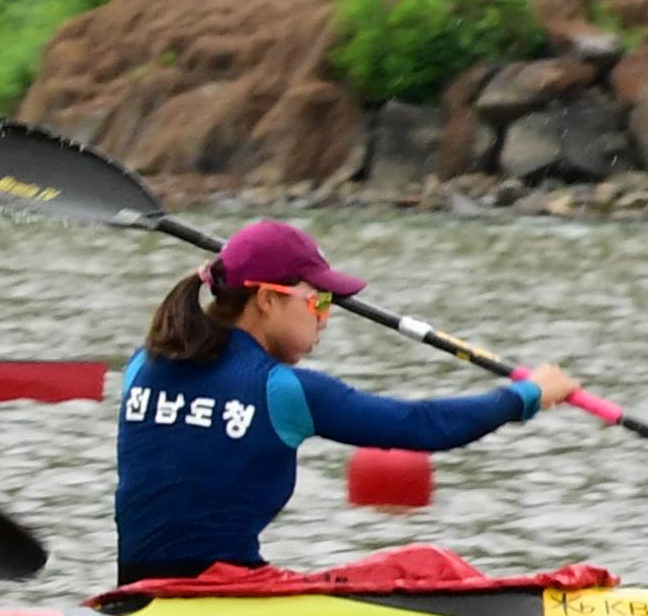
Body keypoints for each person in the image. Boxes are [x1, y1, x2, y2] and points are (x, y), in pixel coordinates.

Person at [115, 219, 575, 584]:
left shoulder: (141, 365)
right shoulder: (282, 390)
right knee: (429, 564)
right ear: (267, 300)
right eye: (318, 301)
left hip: (132, 589)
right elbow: (422, 426)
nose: (326, 318)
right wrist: (527, 394)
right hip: (221, 592)